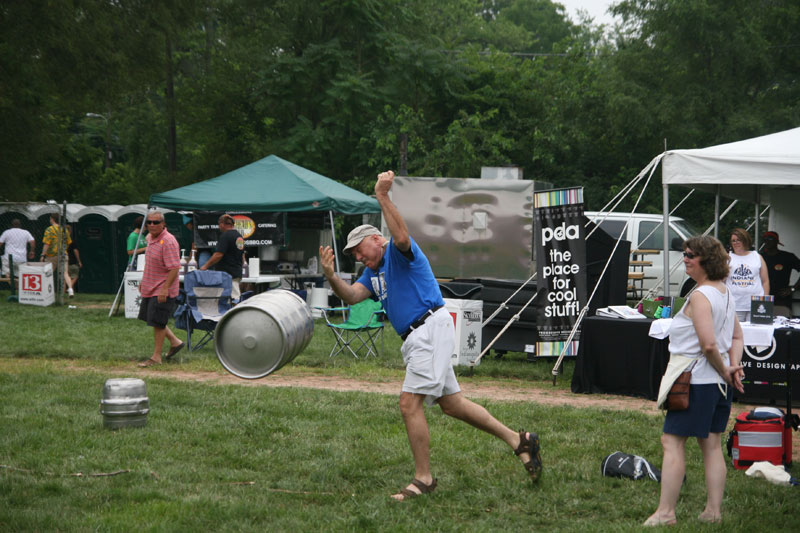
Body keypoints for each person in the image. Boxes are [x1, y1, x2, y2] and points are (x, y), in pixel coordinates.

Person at [319, 170, 542, 502]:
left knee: (409, 404)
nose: (357, 256)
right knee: (452, 405)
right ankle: (519, 440)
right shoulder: (372, 273)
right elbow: (351, 296)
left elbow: (402, 237)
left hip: (428, 328)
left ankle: (423, 478)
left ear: (376, 239)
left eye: (359, 249)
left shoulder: (397, 253)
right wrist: (330, 275)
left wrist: (383, 197)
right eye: (352, 254)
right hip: (417, 337)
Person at [646, 235, 744, 526]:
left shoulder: (701, 296)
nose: (685, 258)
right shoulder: (724, 292)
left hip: (697, 381)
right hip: (717, 384)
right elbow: (736, 337)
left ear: (706, 260)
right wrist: (731, 368)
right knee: (711, 444)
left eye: (690, 254)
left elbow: (709, 345)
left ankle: (666, 513)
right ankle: (713, 512)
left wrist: (727, 369)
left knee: (672, 441)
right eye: (685, 253)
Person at [137, 211, 185, 367]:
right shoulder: (150, 238)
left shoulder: (169, 241)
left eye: (156, 222)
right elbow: (150, 262)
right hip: (150, 285)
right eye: (149, 222)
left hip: (163, 288)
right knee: (152, 319)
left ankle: (156, 357)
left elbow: (174, 268)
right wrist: (144, 281)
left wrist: (165, 289)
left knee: (158, 322)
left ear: (163, 224)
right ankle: (175, 342)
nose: (152, 225)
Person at [725, 228, 768, 322]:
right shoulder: (727, 258)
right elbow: (720, 281)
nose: (736, 243)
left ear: (745, 240)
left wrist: (765, 301)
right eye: (733, 241)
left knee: (755, 333)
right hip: (734, 304)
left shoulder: (757, 256)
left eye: (738, 240)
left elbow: (765, 281)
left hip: (756, 304)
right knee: (735, 334)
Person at [199, 214, 244, 301]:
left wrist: (205, 266)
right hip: (236, 272)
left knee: (233, 299)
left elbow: (218, 254)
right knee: (232, 297)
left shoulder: (225, 236)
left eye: (219, 224)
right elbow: (242, 255)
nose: (219, 227)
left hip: (227, 274)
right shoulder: (239, 236)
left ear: (222, 224)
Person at [760, 231, 800, 317]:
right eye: (765, 239)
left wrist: (793, 288)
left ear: (776, 241)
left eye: (770, 238)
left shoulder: (788, 257)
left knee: (782, 326)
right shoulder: (759, 257)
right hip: (763, 298)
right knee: (762, 324)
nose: (767, 241)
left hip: (781, 299)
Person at [40, 213, 75, 297]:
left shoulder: (49, 230)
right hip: (63, 254)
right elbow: (69, 242)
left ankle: (47, 291)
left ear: (52, 219)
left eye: (50, 219)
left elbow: (47, 243)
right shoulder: (64, 230)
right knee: (65, 273)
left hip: (52, 255)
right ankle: (70, 290)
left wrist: (43, 255)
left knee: (48, 273)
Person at [66, 225, 82, 293]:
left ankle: (69, 291)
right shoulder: (71, 241)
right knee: (75, 276)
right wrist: (79, 261)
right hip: (72, 262)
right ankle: (70, 287)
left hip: (64, 261)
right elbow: (75, 251)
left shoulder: (61, 241)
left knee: (66, 276)